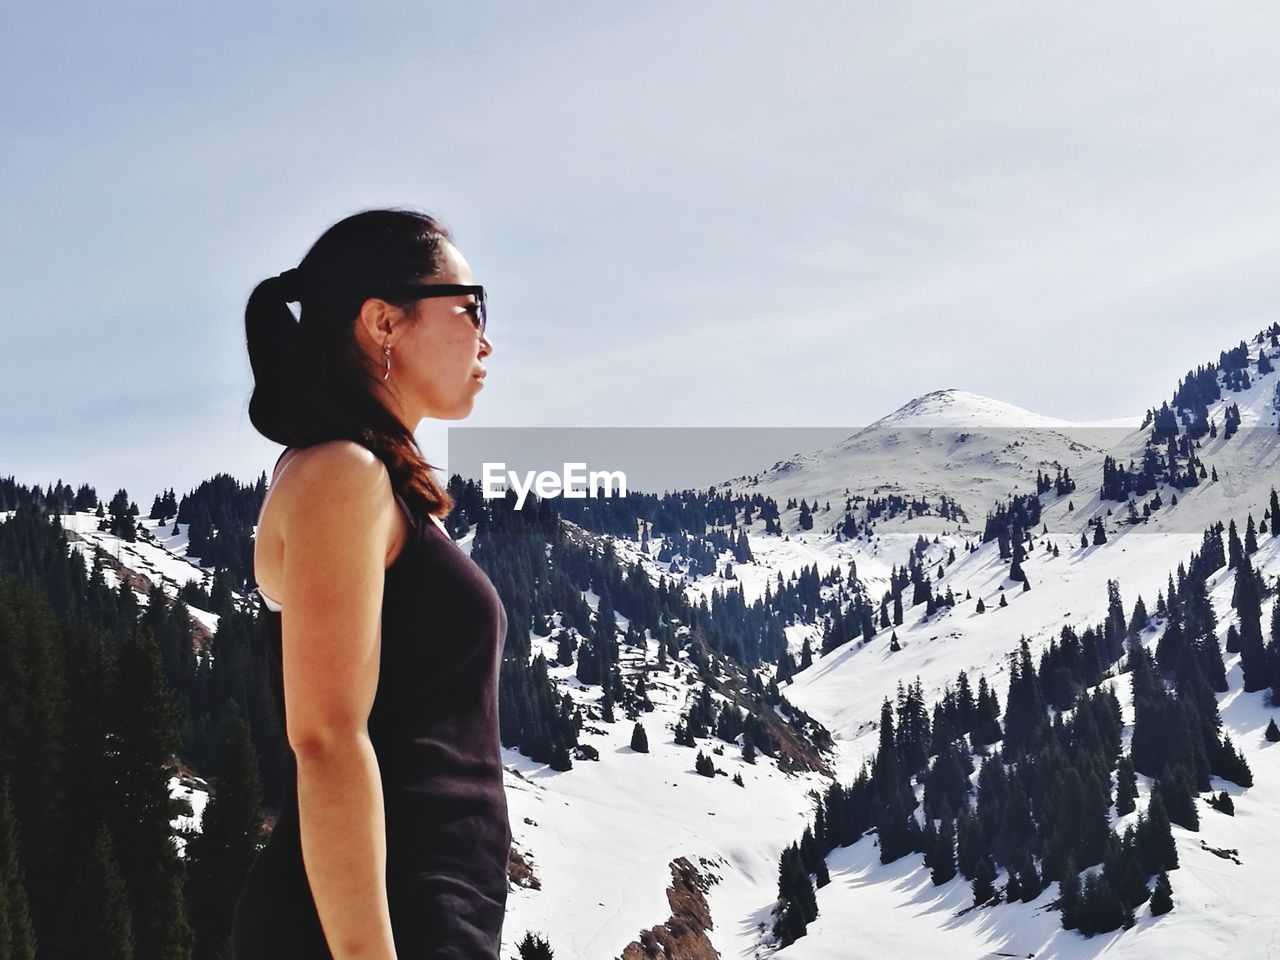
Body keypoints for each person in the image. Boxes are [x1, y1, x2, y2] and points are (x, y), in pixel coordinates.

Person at [231, 208, 510, 959]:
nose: (488, 339)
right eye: (472, 307)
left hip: (424, 915)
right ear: (385, 321)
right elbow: (325, 737)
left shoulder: (379, 483)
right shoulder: (341, 475)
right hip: (371, 929)